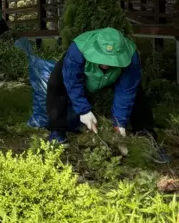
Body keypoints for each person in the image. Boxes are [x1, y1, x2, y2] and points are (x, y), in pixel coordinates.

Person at [46, 27, 169, 162]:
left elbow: (126, 92)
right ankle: (57, 133)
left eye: (111, 59)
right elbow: (72, 80)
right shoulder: (77, 49)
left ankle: (146, 138)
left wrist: (119, 124)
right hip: (78, 73)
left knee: (137, 94)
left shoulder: (131, 57)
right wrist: (83, 110)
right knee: (56, 84)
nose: (106, 63)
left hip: (114, 78)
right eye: (103, 58)